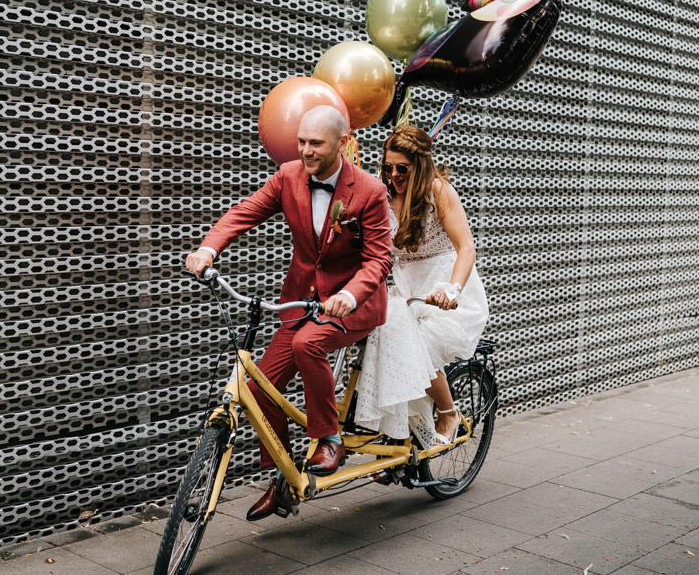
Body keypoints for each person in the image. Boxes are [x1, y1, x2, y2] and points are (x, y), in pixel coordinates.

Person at [185, 105, 392, 520]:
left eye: (316, 143)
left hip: (353, 304)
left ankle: (329, 439)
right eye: (301, 142)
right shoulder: (289, 176)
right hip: (301, 301)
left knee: (308, 345)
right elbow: (246, 212)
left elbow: (379, 260)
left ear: (342, 143)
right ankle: (282, 481)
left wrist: (350, 296)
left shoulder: (369, 191)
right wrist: (209, 247)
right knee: (259, 389)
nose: (306, 151)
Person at [355, 125, 489, 446]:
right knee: (379, 344)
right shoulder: (383, 196)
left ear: (421, 165)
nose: (394, 175)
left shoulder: (437, 191)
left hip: (445, 292)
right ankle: (400, 435)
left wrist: (452, 289)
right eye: (388, 168)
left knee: (416, 348)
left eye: (403, 168)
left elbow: (466, 247)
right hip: (405, 294)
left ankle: (448, 412)